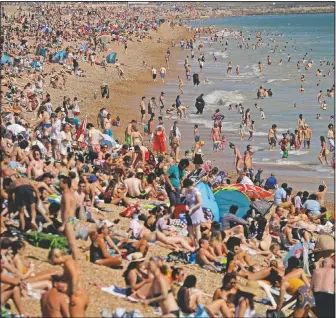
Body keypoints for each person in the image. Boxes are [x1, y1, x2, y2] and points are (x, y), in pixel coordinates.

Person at [48, 249, 89, 317]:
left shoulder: (68, 262)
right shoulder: (67, 263)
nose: (53, 263)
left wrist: (72, 294)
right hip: (82, 296)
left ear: (55, 257)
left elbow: (74, 277)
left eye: (52, 260)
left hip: (77, 296)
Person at [58, 175, 79, 260]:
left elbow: (66, 209)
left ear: (65, 184)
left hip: (68, 221)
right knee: (68, 241)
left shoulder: (66, 195)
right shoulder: (71, 194)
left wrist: (63, 224)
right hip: (73, 219)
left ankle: (75, 262)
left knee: (72, 243)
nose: (59, 183)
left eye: (61, 182)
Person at [183, 179, 204, 249]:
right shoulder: (186, 191)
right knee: (190, 229)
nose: (187, 188)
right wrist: (186, 206)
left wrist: (192, 208)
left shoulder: (196, 191)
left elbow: (200, 202)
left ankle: (198, 245)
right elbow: (187, 200)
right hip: (189, 211)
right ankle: (195, 245)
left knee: (197, 229)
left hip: (196, 211)